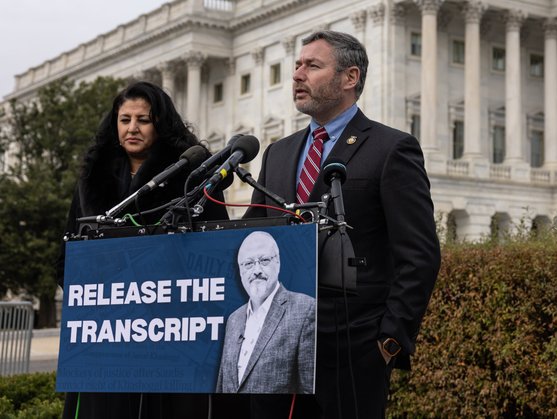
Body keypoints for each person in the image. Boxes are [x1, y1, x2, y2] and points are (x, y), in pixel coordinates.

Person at [238, 30, 440, 418]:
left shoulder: (390, 148)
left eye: (312, 66)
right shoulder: (278, 153)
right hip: (272, 352)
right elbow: (251, 237)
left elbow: (420, 254)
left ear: (349, 78)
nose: (297, 74)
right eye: (298, 65)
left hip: (352, 353)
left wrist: (389, 340)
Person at [59, 80, 229, 418]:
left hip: (171, 334)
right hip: (107, 333)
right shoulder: (90, 179)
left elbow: (216, 251)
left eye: (143, 120)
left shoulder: (192, 176)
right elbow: (70, 251)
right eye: (125, 120)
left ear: (160, 124)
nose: (132, 128)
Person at [217, 231, 315, 394]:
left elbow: (308, 390)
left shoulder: (305, 309)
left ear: (278, 263)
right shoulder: (233, 319)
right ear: (240, 271)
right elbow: (222, 387)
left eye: (264, 260)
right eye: (248, 263)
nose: (256, 270)